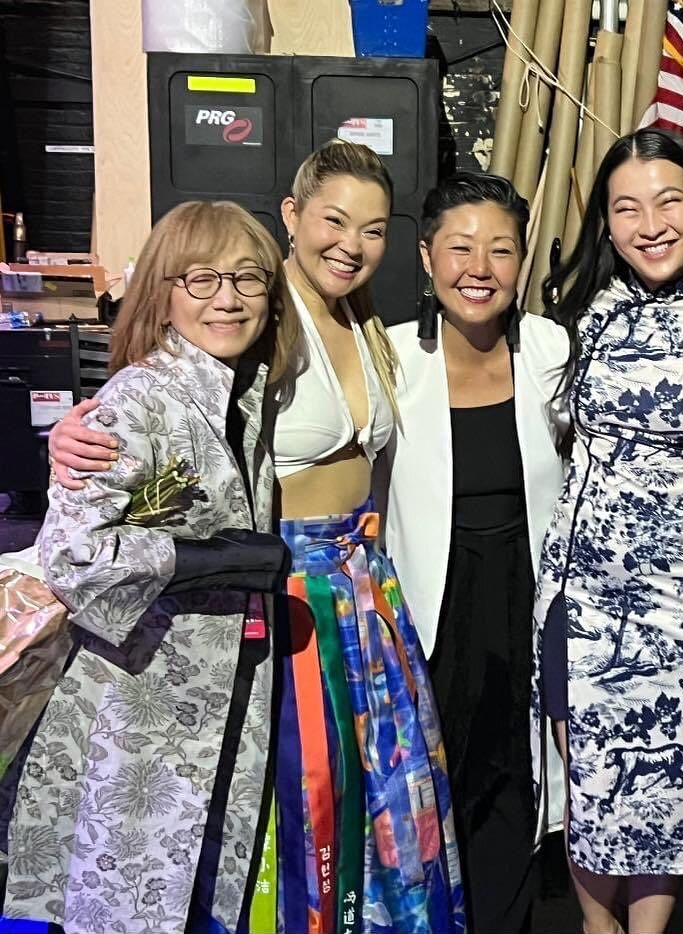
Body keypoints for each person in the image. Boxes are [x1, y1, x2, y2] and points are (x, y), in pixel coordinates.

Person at [44, 141, 463, 934]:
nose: (352, 244)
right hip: (281, 581)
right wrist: (73, 431)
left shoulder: (363, 319)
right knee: (298, 798)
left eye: (373, 229)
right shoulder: (264, 320)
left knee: (378, 792)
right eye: (334, 221)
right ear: (293, 217)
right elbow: (163, 387)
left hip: (360, 586)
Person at [0, 201, 297, 931]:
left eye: (247, 279)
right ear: (162, 291)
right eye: (200, 278)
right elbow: (71, 557)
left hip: (213, 702)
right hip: (135, 716)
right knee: (129, 906)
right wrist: (200, 559)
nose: (226, 298)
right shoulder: (137, 401)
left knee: (186, 899)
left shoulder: (244, 396)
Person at [533, 127, 683, 934]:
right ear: (604, 224)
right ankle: (595, 927)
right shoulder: (583, 313)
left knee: (668, 787)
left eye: (668, 200)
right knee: (589, 776)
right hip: (577, 595)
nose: (649, 223)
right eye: (626, 207)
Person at [382, 173, 569, 933]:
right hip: (431, 604)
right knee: (433, 782)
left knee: (519, 780)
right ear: (427, 258)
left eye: (500, 249)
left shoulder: (552, 350)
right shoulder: (391, 357)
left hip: (524, 598)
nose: (479, 268)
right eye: (460, 249)